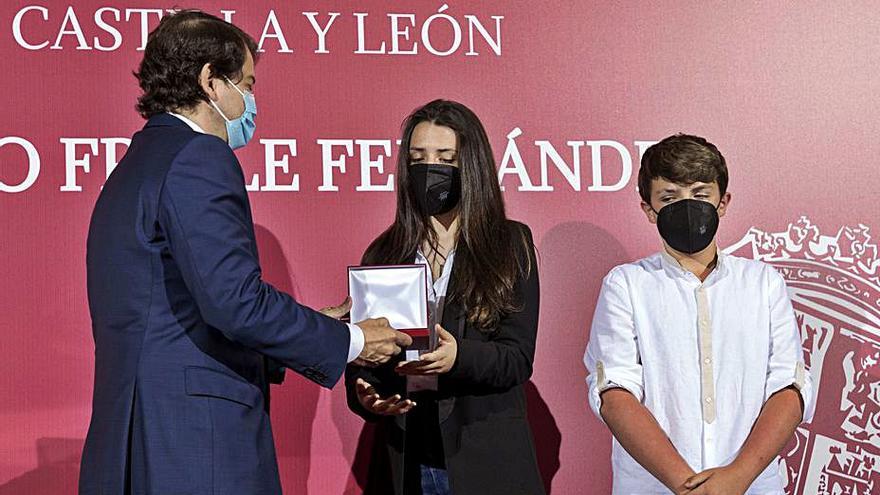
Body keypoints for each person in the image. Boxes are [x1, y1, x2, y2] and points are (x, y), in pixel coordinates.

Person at [79, 10, 410, 494]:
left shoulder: (133, 167)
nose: (252, 101)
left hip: (139, 441)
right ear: (211, 81)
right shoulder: (199, 157)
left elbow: (179, 310)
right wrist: (353, 342)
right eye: (247, 85)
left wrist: (311, 325)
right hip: (195, 444)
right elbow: (234, 302)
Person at [583, 134, 815, 494]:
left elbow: (789, 385)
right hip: (654, 487)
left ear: (723, 203)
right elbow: (614, 392)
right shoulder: (626, 285)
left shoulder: (763, 282)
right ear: (648, 209)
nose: (687, 207)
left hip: (752, 485)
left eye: (700, 194)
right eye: (670, 197)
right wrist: (689, 487)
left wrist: (738, 476)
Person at [344, 99, 545, 495]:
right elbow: (368, 347)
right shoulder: (384, 252)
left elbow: (517, 358)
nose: (429, 169)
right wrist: (363, 390)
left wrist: (459, 357)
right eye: (418, 158)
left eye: (444, 157)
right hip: (410, 458)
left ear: (470, 165)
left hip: (487, 463)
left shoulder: (509, 243)